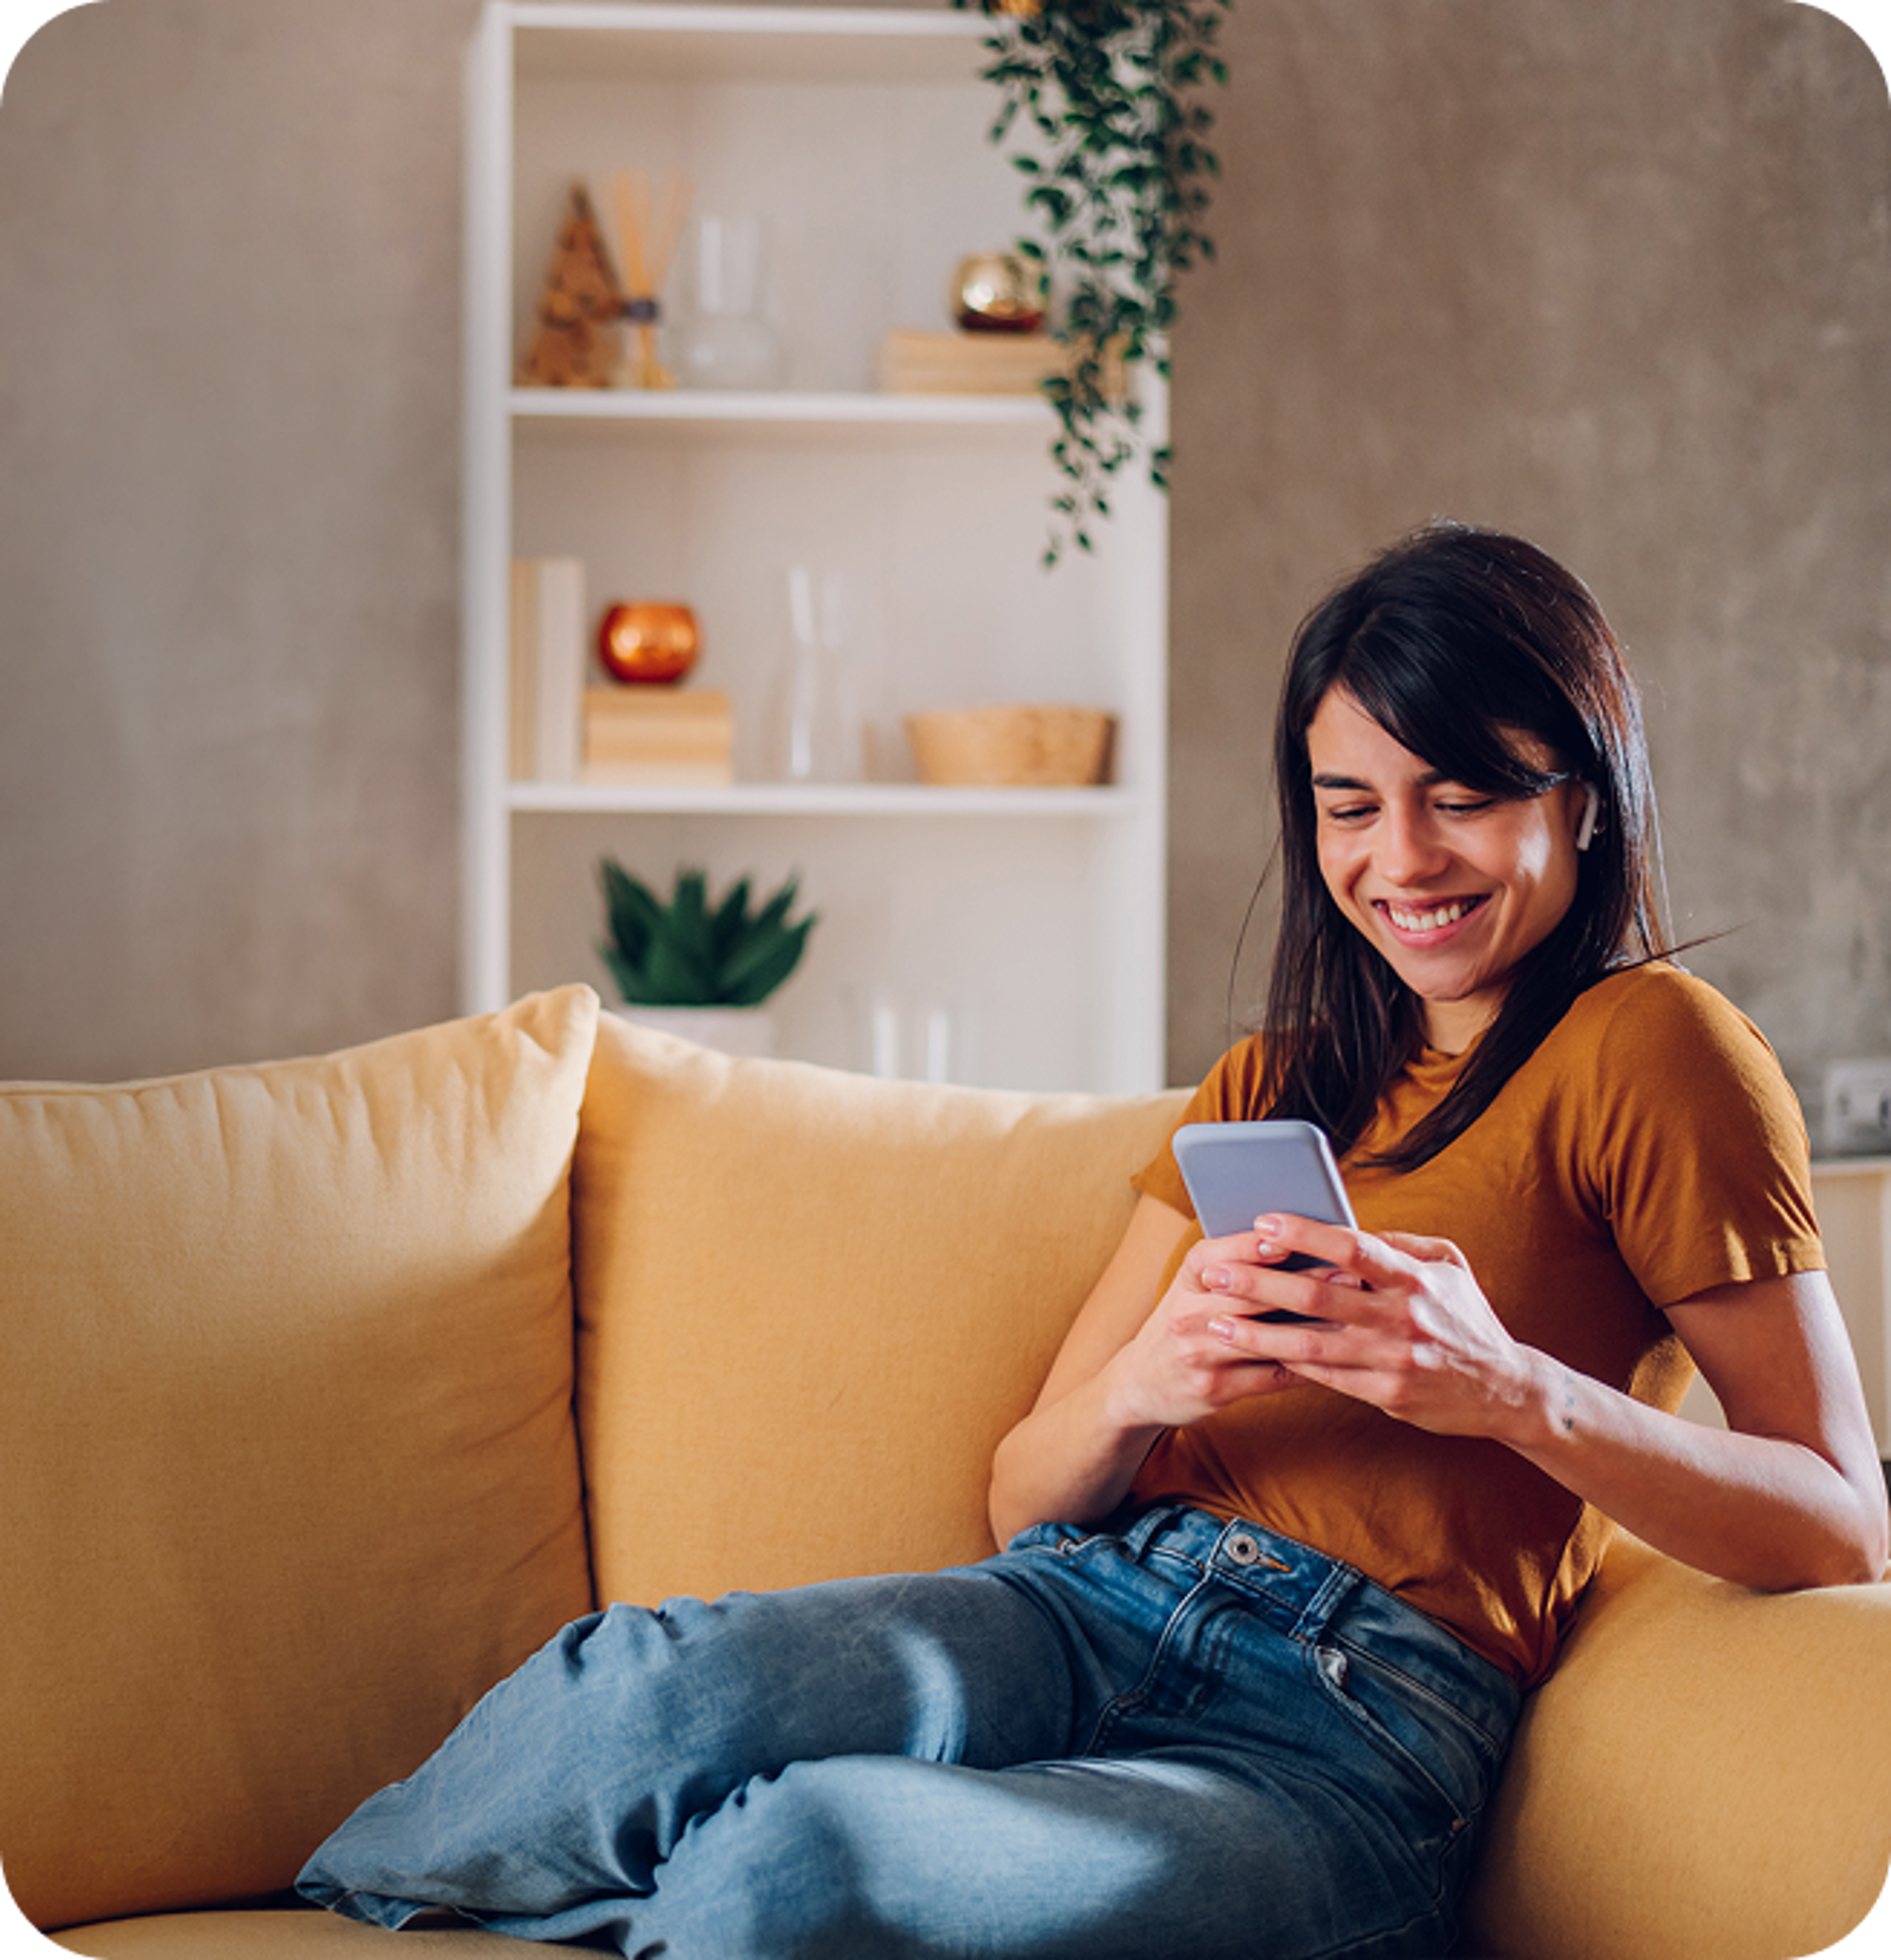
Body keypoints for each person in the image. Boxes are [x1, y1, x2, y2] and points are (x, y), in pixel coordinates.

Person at [297, 521, 1887, 1960]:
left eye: (1461, 798)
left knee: (797, 1862)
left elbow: (1839, 1523)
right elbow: (1023, 1495)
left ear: (1583, 796)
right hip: (1088, 1602)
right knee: (646, 1689)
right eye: (1350, 806)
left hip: (1353, 1726)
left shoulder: (1656, 1048)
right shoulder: (1273, 1083)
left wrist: (1508, 1390)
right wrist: (1151, 1379)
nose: (1401, 860)